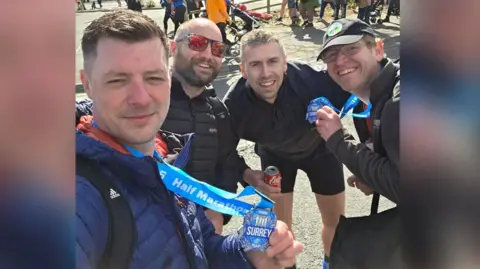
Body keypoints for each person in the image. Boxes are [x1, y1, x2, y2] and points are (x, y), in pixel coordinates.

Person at [76, 10, 304, 269]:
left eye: (153, 78)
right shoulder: (75, 191)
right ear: (88, 84)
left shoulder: (176, 141)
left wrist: (246, 252)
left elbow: (196, 242)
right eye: (118, 79)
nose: (141, 98)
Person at [223, 29, 355, 269]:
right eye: (255, 64)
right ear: (243, 70)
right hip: (276, 157)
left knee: (336, 222)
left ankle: (330, 264)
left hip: (320, 150)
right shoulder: (234, 105)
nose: (265, 73)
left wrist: (368, 151)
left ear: (284, 64)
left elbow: (362, 93)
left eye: (272, 61)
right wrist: (245, 173)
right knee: (281, 230)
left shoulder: (312, 80)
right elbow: (222, 151)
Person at [315, 18, 400, 203]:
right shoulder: (364, 104)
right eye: (330, 55)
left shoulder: (400, 102)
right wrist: (374, 178)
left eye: (351, 48)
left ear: (378, 50)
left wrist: (339, 139)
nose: (339, 60)